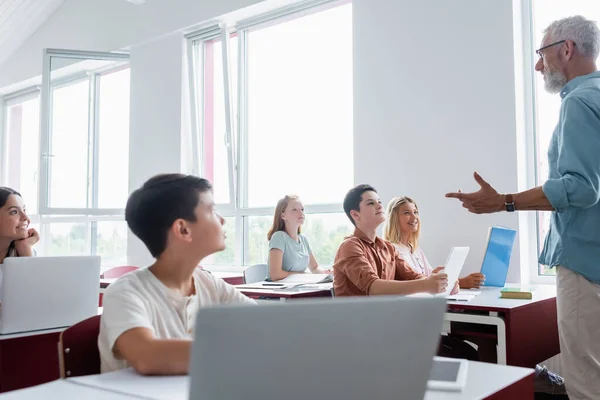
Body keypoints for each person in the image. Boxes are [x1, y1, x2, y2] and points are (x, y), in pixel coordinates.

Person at [446, 15, 598, 399]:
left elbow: (581, 189)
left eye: (542, 53)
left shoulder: (579, 103)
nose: (537, 65)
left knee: (585, 384)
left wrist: (504, 202)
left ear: (566, 49)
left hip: (584, 265)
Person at [98, 174, 255, 375]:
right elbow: (148, 356)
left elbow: (262, 325)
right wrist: (244, 350)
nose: (222, 220)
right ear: (183, 229)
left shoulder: (209, 284)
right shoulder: (125, 292)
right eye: (212, 210)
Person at [334, 184, 476, 360]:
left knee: (465, 352)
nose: (379, 206)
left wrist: (441, 282)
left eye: (379, 202)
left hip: (390, 328)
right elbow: (373, 287)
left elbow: (413, 276)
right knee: (463, 354)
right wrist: (427, 284)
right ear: (355, 214)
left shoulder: (386, 247)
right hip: (364, 333)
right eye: (371, 203)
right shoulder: (349, 246)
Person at [383, 196, 483, 289]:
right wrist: (462, 282)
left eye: (415, 212)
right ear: (394, 218)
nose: (414, 218)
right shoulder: (393, 250)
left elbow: (428, 278)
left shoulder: (416, 250)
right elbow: (416, 282)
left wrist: (437, 276)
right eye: (406, 213)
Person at [267, 195, 329, 281]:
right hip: (277, 292)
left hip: (297, 288)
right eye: (294, 209)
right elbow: (276, 275)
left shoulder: (303, 239)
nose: (301, 213)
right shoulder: (279, 237)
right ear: (283, 216)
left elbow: (315, 268)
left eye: (302, 209)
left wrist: (326, 273)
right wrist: (303, 275)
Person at [0, 187, 39, 265]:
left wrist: (25, 248)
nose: (26, 218)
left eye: (24, 210)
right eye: (14, 212)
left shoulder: (25, 250)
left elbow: (32, 277)